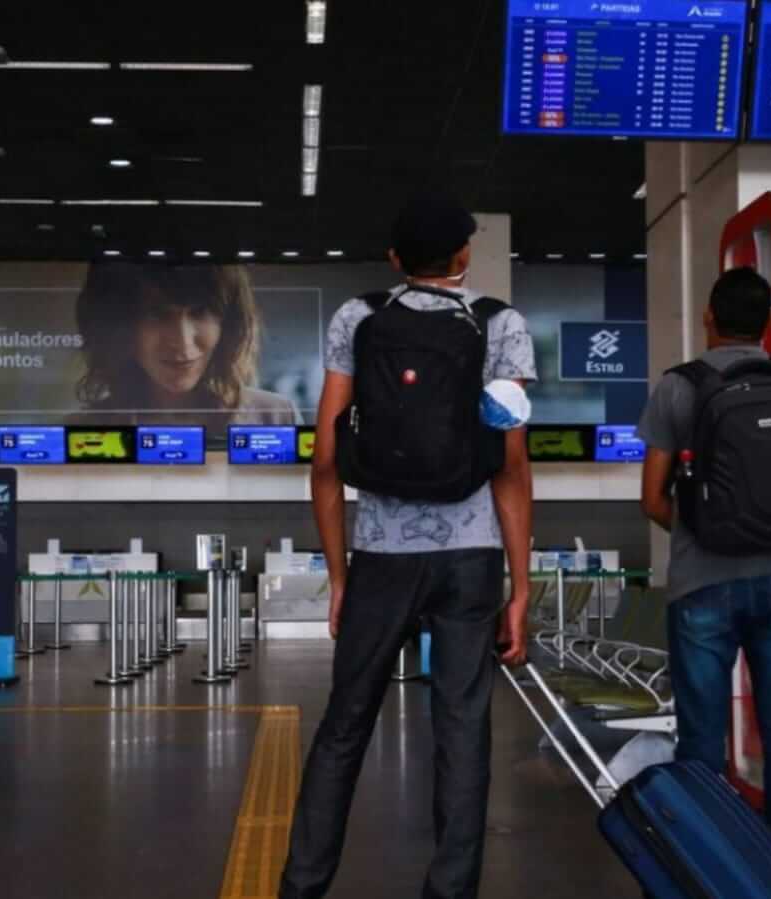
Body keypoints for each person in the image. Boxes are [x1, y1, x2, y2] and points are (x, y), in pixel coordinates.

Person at [280, 192, 535, 899]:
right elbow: (512, 468)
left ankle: (301, 886)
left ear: (394, 260)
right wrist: (520, 586)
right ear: (464, 256)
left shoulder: (359, 320)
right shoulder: (499, 325)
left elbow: (327, 460)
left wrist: (339, 576)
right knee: (462, 728)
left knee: (344, 725)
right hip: (471, 557)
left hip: (382, 557)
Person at [636, 267, 771, 885]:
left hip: (702, 588)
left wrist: (701, 537)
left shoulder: (680, 387)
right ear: (769, 326)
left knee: (701, 742)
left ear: (709, 320)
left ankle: (709, 874)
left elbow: (650, 497)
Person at [73, 262, 300, 427]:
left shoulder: (276, 416)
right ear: (120, 327)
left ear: (228, 323)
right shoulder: (82, 428)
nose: (182, 343)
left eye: (200, 312)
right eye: (158, 314)